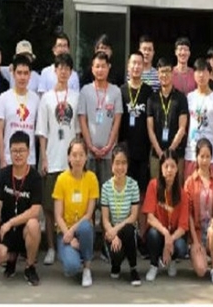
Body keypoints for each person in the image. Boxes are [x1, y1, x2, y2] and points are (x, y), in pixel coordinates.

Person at [36, 53, 80, 266]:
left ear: (71, 72)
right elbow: (42, 131)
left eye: (67, 68)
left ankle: (70, 244)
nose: (63, 72)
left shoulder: (76, 97)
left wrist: (79, 158)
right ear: (55, 70)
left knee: (72, 206)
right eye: (60, 67)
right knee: (49, 207)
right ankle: (51, 247)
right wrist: (44, 158)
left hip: (71, 161)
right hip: (52, 158)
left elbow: (78, 131)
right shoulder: (46, 98)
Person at [0, 131, 42, 286]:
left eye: (21, 150)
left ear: (28, 152)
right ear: (9, 152)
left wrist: (11, 222)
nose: (18, 155)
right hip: (6, 231)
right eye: (14, 151)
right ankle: (11, 258)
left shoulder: (35, 177)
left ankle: (30, 266)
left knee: (33, 224)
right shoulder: (3, 175)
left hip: (23, 229)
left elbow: (35, 211)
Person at [53, 138, 100, 287]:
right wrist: (68, 235)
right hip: (64, 232)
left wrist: (72, 232)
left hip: (82, 229)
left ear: (86, 157)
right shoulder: (61, 179)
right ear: (68, 157)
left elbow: (89, 214)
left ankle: (87, 268)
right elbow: (58, 215)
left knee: (85, 226)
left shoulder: (91, 178)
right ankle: (77, 254)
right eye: (74, 155)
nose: (78, 159)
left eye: (81, 155)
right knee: (72, 268)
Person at [142, 150, 189, 282]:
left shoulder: (182, 194)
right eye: (166, 166)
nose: (169, 170)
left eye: (172, 166)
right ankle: (154, 265)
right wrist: (166, 234)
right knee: (152, 234)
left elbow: (183, 227)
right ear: (161, 168)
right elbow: (150, 217)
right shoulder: (153, 185)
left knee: (181, 247)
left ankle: (172, 260)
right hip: (159, 231)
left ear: (177, 169)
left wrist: (170, 240)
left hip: (174, 235)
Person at [78, 51, 123, 185]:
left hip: (109, 153)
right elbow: (82, 120)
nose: (100, 70)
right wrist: (90, 146)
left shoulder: (116, 91)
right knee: (88, 188)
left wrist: (109, 146)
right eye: (97, 66)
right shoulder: (85, 91)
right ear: (92, 68)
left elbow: (117, 120)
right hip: (88, 153)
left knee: (107, 189)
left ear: (109, 67)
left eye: (103, 66)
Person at [100, 145, 142, 286]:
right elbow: (105, 219)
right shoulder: (106, 187)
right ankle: (115, 264)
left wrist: (116, 230)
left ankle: (133, 269)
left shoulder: (133, 185)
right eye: (117, 163)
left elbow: (133, 216)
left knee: (129, 229)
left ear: (127, 165)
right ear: (112, 165)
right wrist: (113, 234)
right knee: (115, 250)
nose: (120, 167)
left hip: (126, 229)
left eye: (123, 163)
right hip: (111, 230)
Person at [184, 139, 213, 284]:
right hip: (197, 232)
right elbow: (188, 214)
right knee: (201, 271)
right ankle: (199, 255)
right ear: (196, 157)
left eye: (208, 156)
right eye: (202, 156)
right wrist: (195, 241)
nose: (205, 160)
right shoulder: (190, 182)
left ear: (211, 158)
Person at [0, 55, 40, 170]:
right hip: (8, 159)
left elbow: (37, 130)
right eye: (19, 73)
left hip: (29, 160)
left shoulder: (36, 99)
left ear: (30, 75)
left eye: (26, 73)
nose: (22, 77)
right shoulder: (4, 98)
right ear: (13, 74)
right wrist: (2, 159)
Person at [147, 57, 189, 180]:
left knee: (176, 187)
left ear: (172, 73)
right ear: (158, 74)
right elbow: (150, 129)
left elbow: (182, 128)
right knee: (156, 185)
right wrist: (160, 152)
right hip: (157, 154)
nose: (164, 75)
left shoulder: (181, 98)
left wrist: (170, 151)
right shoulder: (152, 98)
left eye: (167, 71)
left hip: (176, 153)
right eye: (161, 72)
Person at [183, 58, 213, 181]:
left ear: (209, 74)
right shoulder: (189, 97)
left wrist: (211, 144)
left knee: (210, 189)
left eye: (204, 72)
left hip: (209, 155)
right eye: (198, 72)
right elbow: (185, 124)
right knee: (190, 188)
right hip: (191, 153)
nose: (201, 75)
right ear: (194, 75)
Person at [119, 52, 153, 195]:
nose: (136, 67)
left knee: (141, 191)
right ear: (128, 66)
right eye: (133, 63)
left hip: (143, 149)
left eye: (140, 64)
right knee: (124, 189)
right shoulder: (121, 90)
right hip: (125, 148)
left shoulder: (149, 91)